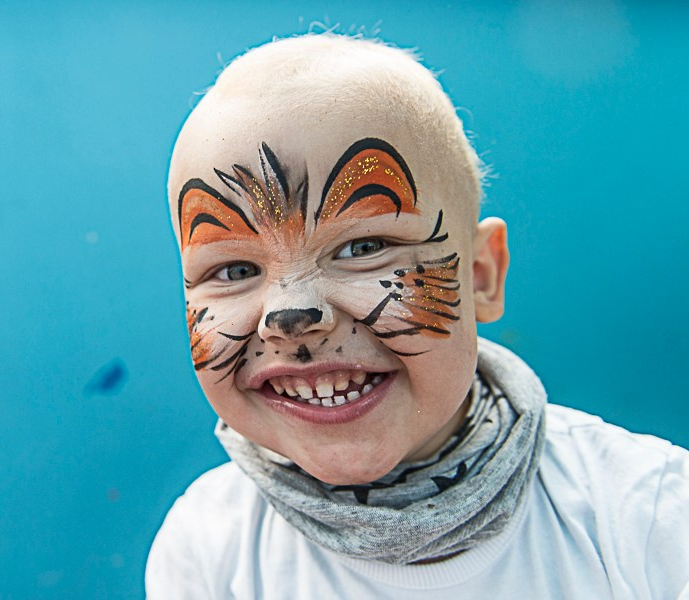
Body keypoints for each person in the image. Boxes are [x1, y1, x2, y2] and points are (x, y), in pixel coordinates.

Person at [146, 33, 689, 599]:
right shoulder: (210, 547)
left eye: (362, 248)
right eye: (233, 270)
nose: (291, 317)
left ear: (481, 276)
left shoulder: (649, 522)